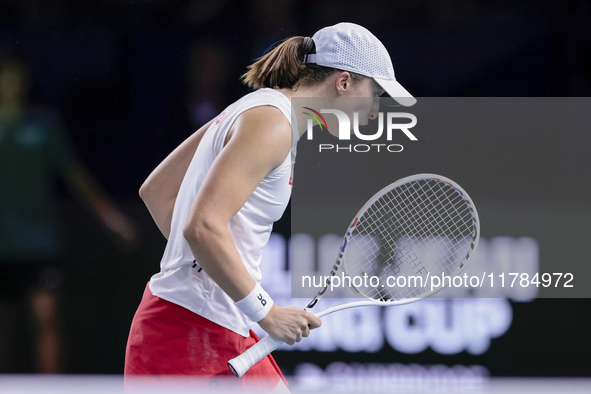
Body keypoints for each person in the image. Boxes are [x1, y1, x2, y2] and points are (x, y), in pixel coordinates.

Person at [124, 22, 415, 393]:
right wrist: (267, 312)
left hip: (209, 320)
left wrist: (209, 267)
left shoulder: (257, 109)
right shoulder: (272, 124)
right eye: (374, 94)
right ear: (343, 83)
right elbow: (202, 227)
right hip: (188, 333)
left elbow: (158, 192)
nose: (375, 110)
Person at [0, 53, 138, 373]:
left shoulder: (43, 126)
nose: (8, 84)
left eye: (14, 77)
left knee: (47, 320)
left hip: (38, 243)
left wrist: (112, 219)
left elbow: (76, 177)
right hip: (2, 245)